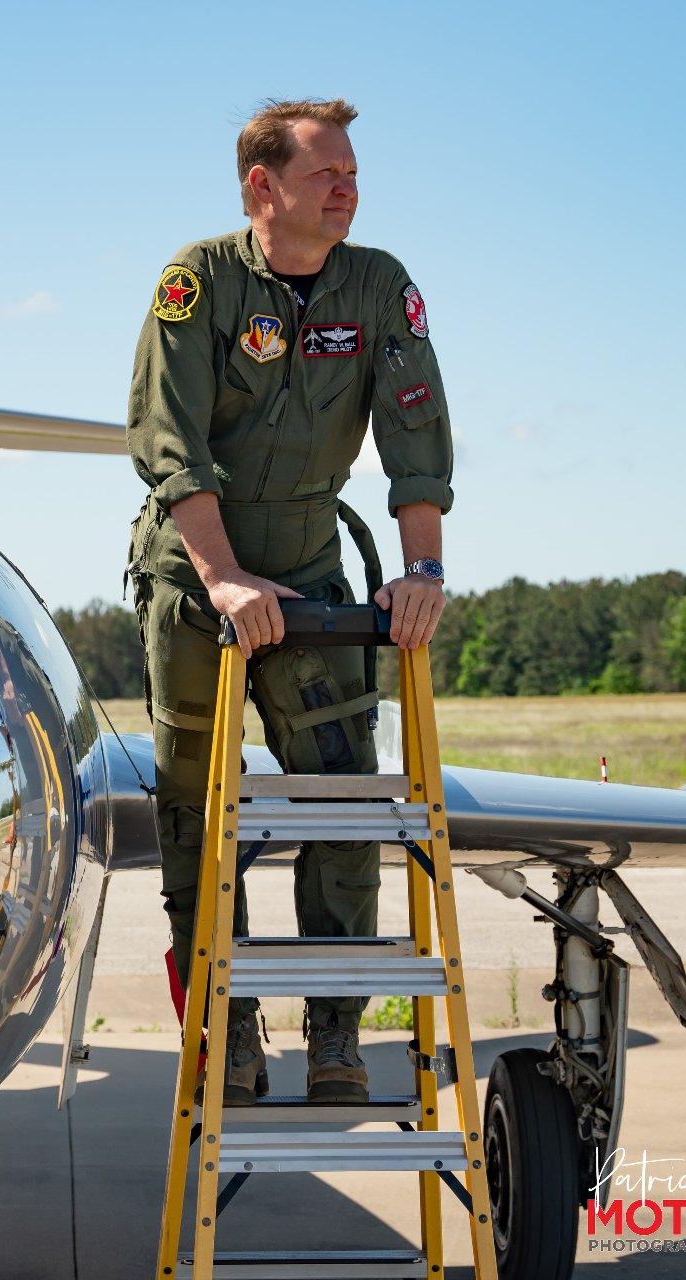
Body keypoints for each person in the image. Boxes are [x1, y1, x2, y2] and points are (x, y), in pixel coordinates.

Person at [125, 98, 454, 1105]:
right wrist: (224, 577)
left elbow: (416, 432)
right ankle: (228, 1031)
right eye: (326, 174)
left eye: (353, 172)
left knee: (348, 800)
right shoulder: (202, 282)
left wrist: (421, 571)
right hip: (196, 578)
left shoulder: (377, 284)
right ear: (263, 186)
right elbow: (168, 441)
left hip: (313, 573)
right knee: (195, 814)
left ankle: (335, 1032)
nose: (348, 188)